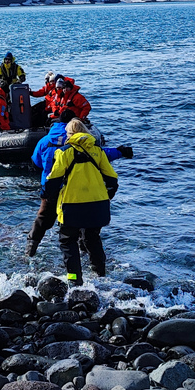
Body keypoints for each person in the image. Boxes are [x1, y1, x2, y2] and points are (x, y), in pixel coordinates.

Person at [26, 110, 133, 256]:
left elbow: (36, 162)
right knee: (82, 225)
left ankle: (30, 248)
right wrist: (120, 152)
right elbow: (101, 154)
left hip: (50, 189)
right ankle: (86, 256)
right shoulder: (79, 141)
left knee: (43, 219)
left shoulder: (45, 140)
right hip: (75, 191)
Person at [42, 118, 119, 286]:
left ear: (68, 134)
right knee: (93, 238)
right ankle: (101, 275)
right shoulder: (98, 151)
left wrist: (47, 196)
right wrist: (106, 197)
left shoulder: (63, 153)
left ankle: (74, 280)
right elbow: (112, 179)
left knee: (68, 241)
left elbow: (53, 180)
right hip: (98, 205)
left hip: (72, 206)